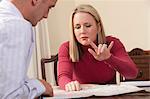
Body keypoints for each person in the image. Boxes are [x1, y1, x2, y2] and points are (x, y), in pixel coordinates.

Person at [58, 4, 138, 91]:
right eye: (77, 27)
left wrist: (109, 58)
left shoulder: (112, 43)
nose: (82, 31)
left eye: (87, 26)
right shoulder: (66, 48)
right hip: (81, 94)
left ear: (98, 27)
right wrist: (68, 84)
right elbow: (63, 77)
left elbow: (132, 73)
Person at [0, 0, 57, 98]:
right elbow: (10, 95)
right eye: (49, 7)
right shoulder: (16, 25)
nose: (46, 15)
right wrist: (41, 86)